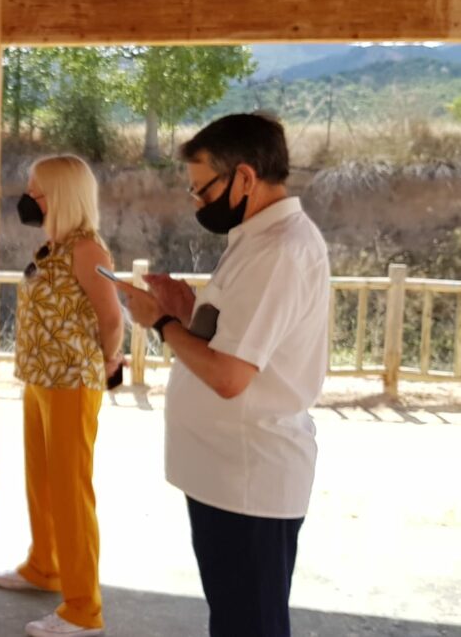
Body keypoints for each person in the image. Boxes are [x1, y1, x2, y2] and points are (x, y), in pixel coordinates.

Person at [119, 113, 330, 637]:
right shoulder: (258, 239)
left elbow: (231, 377)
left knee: (249, 624)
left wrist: (163, 323)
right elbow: (236, 342)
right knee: (236, 618)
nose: (197, 203)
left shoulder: (280, 250)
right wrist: (190, 313)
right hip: (226, 475)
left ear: (244, 177)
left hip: (248, 479)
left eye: (202, 189)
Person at [0, 155, 124, 637]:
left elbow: (112, 318)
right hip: (40, 379)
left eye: (35, 189)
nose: (27, 197)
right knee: (41, 482)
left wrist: (109, 362)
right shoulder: (54, 246)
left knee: (71, 493)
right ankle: (44, 566)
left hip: (71, 383)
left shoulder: (89, 250)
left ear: (60, 196)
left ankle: (85, 609)